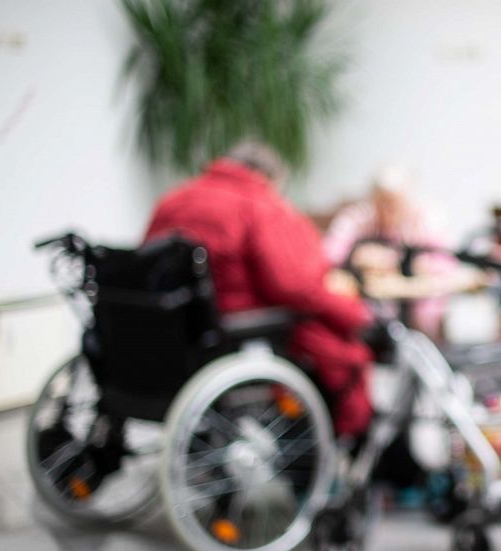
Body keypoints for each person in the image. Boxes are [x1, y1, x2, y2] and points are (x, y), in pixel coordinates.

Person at [144, 141, 374, 438]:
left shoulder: (173, 199)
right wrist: (353, 312)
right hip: (233, 331)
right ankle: (336, 438)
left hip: (175, 333)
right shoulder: (258, 205)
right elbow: (293, 285)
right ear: (268, 177)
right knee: (336, 344)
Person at [323, 165, 456, 338]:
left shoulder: (424, 218)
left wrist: (417, 264)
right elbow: (329, 253)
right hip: (368, 303)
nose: (389, 210)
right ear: (373, 199)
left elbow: (447, 260)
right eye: (382, 202)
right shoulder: (358, 217)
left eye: (395, 203)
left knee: (428, 315)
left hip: (416, 306)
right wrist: (357, 255)